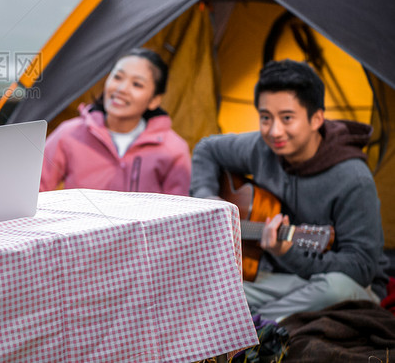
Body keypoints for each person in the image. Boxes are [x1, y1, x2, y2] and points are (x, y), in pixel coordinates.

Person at [190, 59, 389, 321]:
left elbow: (360, 268)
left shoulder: (353, 180)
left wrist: (288, 253)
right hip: (278, 279)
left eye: (287, 118)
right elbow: (207, 149)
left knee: (335, 290)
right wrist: (209, 201)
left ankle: (254, 328)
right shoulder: (261, 148)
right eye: (265, 118)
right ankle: (260, 321)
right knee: (202, 291)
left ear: (317, 118)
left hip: (344, 285)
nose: (274, 131)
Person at [40, 48, 191, 195]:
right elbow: (36, 191)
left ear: (154, 100)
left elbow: (180, 213)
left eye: (137, 84)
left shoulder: (174, 150)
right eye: (117, 77)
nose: (122, 89)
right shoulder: (69, 133)